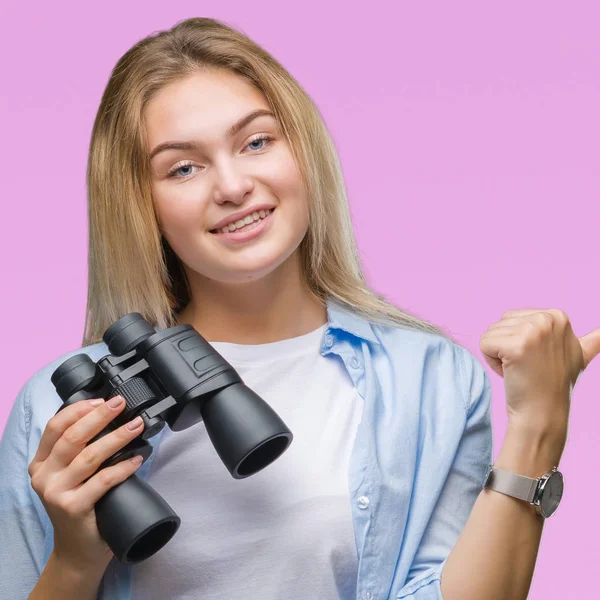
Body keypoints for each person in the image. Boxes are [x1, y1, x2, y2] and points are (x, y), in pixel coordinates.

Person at [0, 17, 494, 600]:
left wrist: (539, 422)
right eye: (183, 167)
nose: (232, 186)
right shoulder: (55, 413)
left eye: (256, 141)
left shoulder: (430, 379)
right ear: (142, 204)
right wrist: (76, 560)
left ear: (302, 152)